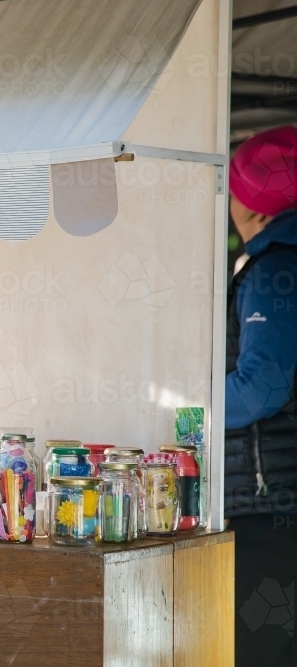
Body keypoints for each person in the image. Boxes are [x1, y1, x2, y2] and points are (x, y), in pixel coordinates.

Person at [223, 125, 297, 667]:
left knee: (259, 651)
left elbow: (261, 388)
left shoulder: (275, 270)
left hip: (268, 504)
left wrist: (187, 414)